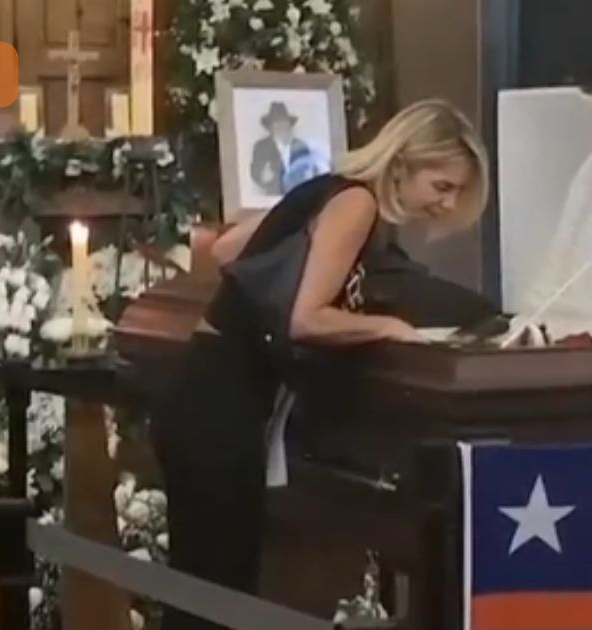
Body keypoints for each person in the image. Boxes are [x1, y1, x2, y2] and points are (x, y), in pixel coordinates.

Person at [151, 99, 490, 630]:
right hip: (223, 407)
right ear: (403, 161)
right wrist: (387, 327)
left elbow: (228, 249)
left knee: (198, 590)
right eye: (441, 186)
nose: (445, 204)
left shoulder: (326, 188)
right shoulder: (358, 203)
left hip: (198, 392)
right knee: (220, 592)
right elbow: (304, 320)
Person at [249, 101, 325, 196]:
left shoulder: (301, 146)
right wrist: (262, 177)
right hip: (272, 198)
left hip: (298, 197)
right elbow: (255, 172)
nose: (282, 126)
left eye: (284, 122)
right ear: (271, 127)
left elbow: (313, 171)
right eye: (277, 123)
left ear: (289, 125)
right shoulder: (262, 147)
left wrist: (310, 176)